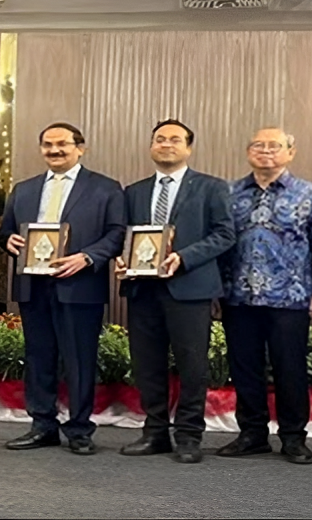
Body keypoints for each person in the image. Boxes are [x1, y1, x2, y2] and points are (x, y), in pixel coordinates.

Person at [0, 122, 126, 455]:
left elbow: (116, 234)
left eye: (62, 144)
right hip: (33, 286)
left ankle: (80, 429)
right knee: (38, 357)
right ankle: (42, 425)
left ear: (80, 148)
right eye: (47, 144)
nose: (54, 150)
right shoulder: (23, 189)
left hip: (80, 285)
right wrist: (8, 241)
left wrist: (86, 257)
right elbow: (5, 231)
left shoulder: (106, 188)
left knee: (79, 360)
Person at [114, 119, 235, 463]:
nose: (166, 144)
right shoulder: (134, 192)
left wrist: (184, 257)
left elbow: (225, 234)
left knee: (192, 366)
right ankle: (154, 433)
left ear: (188, 148)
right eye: (159, 139)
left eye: (174, 139)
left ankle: (189, 436)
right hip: (142, 290)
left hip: (190, 289)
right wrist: (123, 261)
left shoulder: (212, 187)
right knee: (146, 365)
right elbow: (126, 237)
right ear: (151, 146)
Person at [216, 128, 312, 465]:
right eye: (258, 145)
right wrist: (217, 289)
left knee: (290, 369)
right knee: (244, 368)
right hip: (238, 297)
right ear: (248, 151)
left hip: (291, 297)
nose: (266, 150)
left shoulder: (308, 194)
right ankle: (252, 434)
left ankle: (294, 437)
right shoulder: (229, 193)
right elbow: (220, 243)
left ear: (290, 152)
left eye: (275, 145)